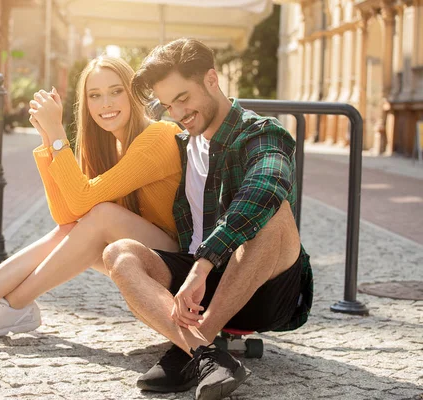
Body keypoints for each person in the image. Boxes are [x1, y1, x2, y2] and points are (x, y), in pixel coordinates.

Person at [0, 56, 182, 343]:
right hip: (146, 257)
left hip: (183, 264)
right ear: (86, 103)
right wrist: (46, 141)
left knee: (103, 214)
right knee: (71, 230)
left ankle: (5, 305)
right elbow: (68, 217)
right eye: (95, 95)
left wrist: (56, 133)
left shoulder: (159, 136)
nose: (106, 103)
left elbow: (82, 203)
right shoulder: (110, 148)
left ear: (132, 93)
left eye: (116, 91)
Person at [101, 38, 314, 400]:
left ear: (212, 80)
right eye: (168, 105)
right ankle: (204, 354)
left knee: (274, 212)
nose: (177, 112)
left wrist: (203, 264)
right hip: (196, 292)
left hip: (263, 288)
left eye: (183, 98)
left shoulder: (263, 133)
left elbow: (265, 189)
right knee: (119, 254)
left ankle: (190, 345)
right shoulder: (181, 144)